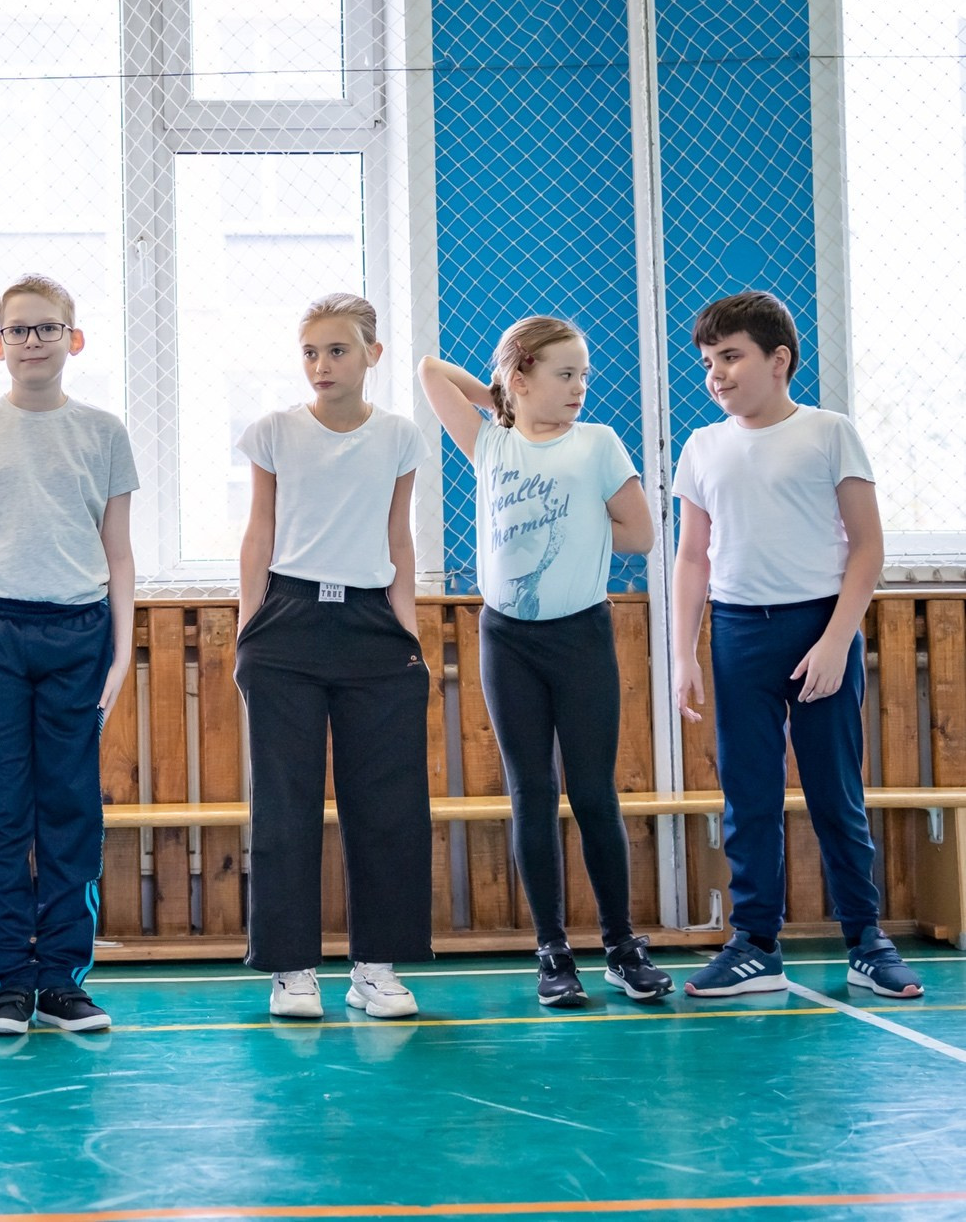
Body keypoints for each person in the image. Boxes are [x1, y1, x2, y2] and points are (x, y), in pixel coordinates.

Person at [672, 291, 921, 1000]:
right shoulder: (702, 447)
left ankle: (865, 941)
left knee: (832, 792)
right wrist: (684, 652)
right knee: (746, 796)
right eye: (706, 362)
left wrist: (837, 638)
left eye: (729, 357)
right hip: (736, 632)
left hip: (817, 628)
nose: (714, 373)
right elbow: (693, 557)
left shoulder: (827, 432)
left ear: (777, 360)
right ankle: (754, 943)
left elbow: (867, 548)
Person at [420, 319, 673, 1006]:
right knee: (530, 793)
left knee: (592, 794)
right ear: (523, 375)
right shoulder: (490, 442)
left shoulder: (596, 445)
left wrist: (586, 521)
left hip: (581, 638)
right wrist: (501, 395)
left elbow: (641, 536)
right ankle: (552, 952)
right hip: (508, 642)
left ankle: (621, 947)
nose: (579, 388)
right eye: (564, 374)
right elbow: (429, 372)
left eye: (584, 375)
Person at [0, 273, 137, 1036]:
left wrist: (117, 657)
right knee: (3, 812)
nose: (32, 341)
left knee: (70, 812)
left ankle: (61, 981)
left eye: (46, 328)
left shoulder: (103, 432)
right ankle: (8, 985)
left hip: (78, 635)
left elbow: (118, 555)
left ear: (72, 339)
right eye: (18, 330)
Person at [236, 292, 431, 1021]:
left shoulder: (399, 437)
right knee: (284, 807)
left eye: (338, 350)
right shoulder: (273, 433)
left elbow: (398, 538)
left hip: (371, 623)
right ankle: (291, 970)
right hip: (284, 624)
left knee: (384, 805)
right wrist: (247, 631)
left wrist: (404, 630)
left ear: (371, 355)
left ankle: (373, 968)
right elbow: (258, 535)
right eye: (311, 352)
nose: (322, 365)